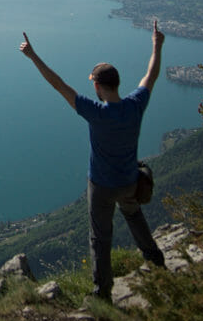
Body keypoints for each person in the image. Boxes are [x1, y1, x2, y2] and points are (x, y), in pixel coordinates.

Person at [20, 21, 167, 302]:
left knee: (100, 238)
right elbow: (152, 74)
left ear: (98, 86)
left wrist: (33, 56)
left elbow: (59, 85)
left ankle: (102, 293)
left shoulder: (95, 112)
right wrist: (156, 45)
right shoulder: (135, 105)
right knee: (134, 216)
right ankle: (156, 261)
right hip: (129, 181)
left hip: (101, 186)